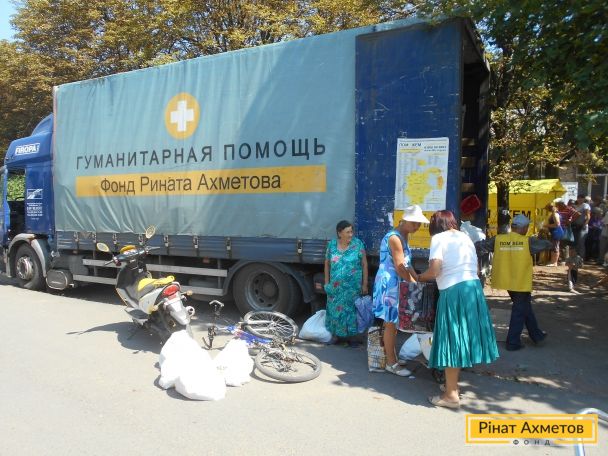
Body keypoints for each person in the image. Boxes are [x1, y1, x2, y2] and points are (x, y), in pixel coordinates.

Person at [417, 210, 499, 409]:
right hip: (473, 289)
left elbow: (435, 270)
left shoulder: (439, 239)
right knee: (461, 339)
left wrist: (418, 277)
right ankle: (451, 385)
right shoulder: (465, 237)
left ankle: (451, 395)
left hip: (453, 292)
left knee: (451, 340)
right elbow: (476, 268)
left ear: (435, 226)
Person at [477, 214, 552, 351]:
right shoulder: (528, 241)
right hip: (521, 281)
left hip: (506, 280)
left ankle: (537, 335)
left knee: (524, 307)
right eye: (527, 227)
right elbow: (547, 245)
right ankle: (513, 342)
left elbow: (481, 246)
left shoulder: (498, 239)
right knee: (519, 310)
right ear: (523, 228)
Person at [372, 205, 428, 376]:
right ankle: (391, 363)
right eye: (414, 223)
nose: (417, 226)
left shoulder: (404, 235)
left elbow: (407, 263)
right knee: (391, 324)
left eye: (419, 223)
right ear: (404, 220)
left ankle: (390, 356)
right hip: (390, 284)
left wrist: (417, 278)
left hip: (396, 282)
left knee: (391, 324)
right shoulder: (395, 238)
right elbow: (399, 267)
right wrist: (412, 283)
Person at [324, 220, 368, 346]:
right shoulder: (332, 245)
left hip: (353, 288)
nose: (350, 234)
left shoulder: (358, 244)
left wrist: (365, 284)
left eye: (351, 232)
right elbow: (327, 264)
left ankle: (353, 338)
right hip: (335, 288)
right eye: (347, 232)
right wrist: (327, 283)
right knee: (334, 310)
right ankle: (336, 336)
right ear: (339, 233)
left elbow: (364, 264)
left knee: (352, 311)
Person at [543, 203, 563, 267]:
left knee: (555, 247)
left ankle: (554, 262)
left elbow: (557, 224)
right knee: (554, 246)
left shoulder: (555, 214)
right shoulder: (553, 214)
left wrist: (547, 225)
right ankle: (552, 261)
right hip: (554, 232)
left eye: (547, 208)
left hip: (557, 232)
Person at [572, 194, 591, 260]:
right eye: (579, 198)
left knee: (581, 242)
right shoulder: (574, 206)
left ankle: (581, 258)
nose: (580, 199)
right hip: (575, 226)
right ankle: (575, 257)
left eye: (582, 198)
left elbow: (588, 217)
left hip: (583, 227)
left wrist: (584, 225)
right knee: (575, 242)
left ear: (584, 199)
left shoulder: (586, 205)